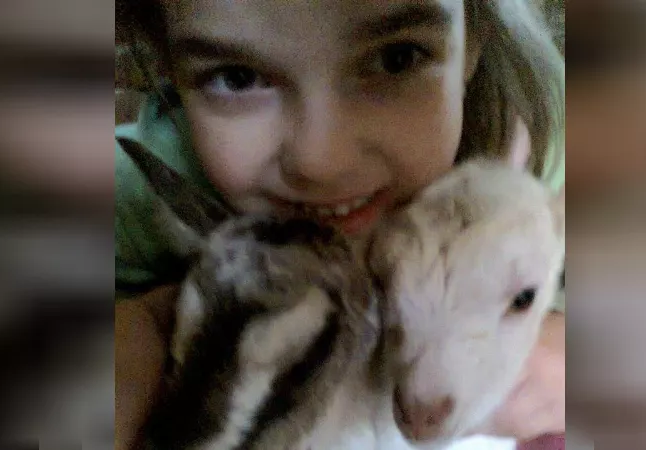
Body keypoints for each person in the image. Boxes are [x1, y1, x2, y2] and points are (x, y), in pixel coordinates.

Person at [113, 1, 566, 448]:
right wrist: (143, 325)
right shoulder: (136, 190)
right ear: (166, 62)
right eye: (237, 77)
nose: (322, 161)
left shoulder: (546, 146)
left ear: (474, 39)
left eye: (396, 58)